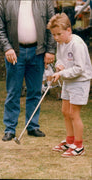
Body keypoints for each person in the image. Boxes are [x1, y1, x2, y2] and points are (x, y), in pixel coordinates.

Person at [0, 0, 56, 141]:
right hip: (15, 53)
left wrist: (51, 50)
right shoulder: (5, 2)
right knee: (13, 92)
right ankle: (10, 129)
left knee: (35, 92)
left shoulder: (45, 2)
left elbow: (52, 25)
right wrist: (7, 48)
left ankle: (32, 126)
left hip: (38, 52)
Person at [47, 13, 92, 157]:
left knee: (74, 114)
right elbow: (60, 59)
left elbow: (79, 69)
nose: (56, 38)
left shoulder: (77, 44)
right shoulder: (61, 43)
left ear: (69, 30)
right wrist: (59, 66)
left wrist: (61, 74)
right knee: (65, 112)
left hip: (80, 81)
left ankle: (79, 145)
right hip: (68, 80)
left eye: (59, 34)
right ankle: (69, 140)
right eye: (54, 35)